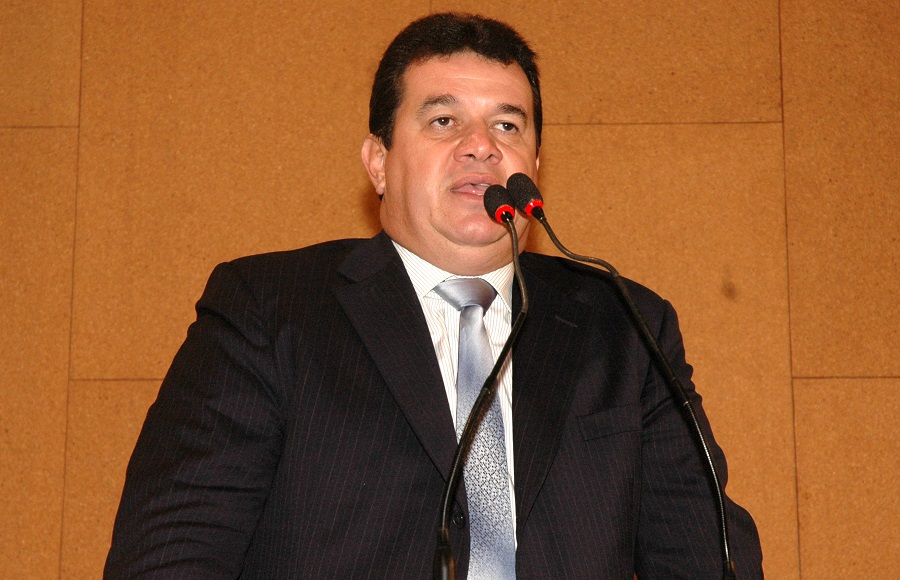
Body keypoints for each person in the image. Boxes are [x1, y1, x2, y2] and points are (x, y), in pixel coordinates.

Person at [105, 12, 763, 579]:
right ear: (378, 161)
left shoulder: (626, 327)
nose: (481, 147)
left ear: (535, 166)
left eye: (508, 126)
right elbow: (172, 554)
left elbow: (706, 558)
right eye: (444, 120)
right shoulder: (269, 307)